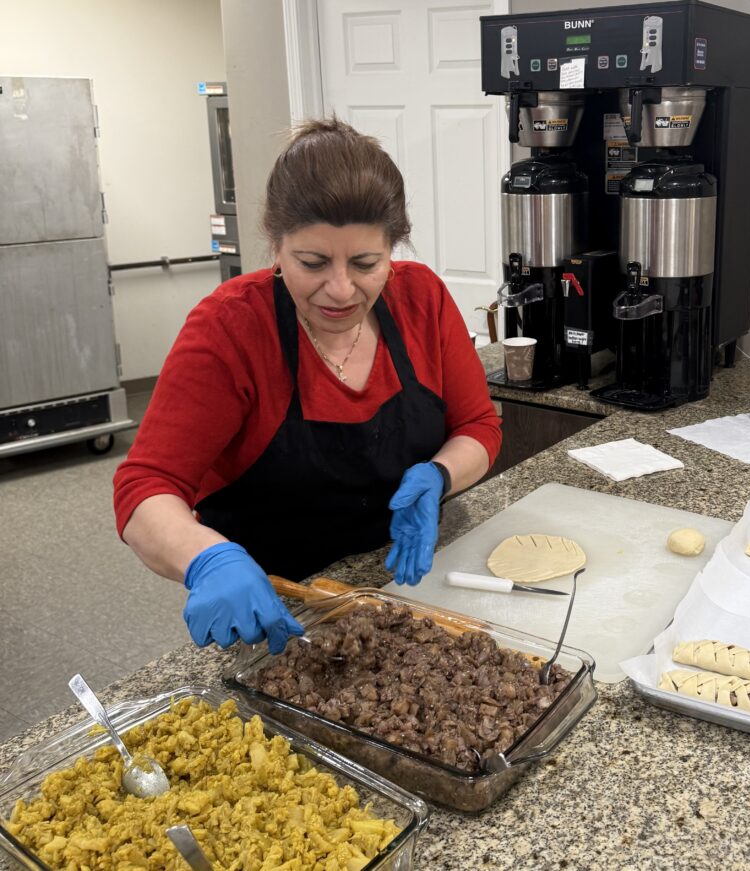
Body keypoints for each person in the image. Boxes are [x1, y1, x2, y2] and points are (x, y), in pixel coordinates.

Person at [113, 118, 501, 654]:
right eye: (312, 263)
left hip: (408, 588)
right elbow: (146, 486)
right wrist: (206, 558)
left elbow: (479, 427)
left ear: (394, 248)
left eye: (366, 263)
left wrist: (440, 474)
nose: (340, 289)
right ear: (276, 245)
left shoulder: (422, 300)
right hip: (274, 611)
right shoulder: (230, 329)